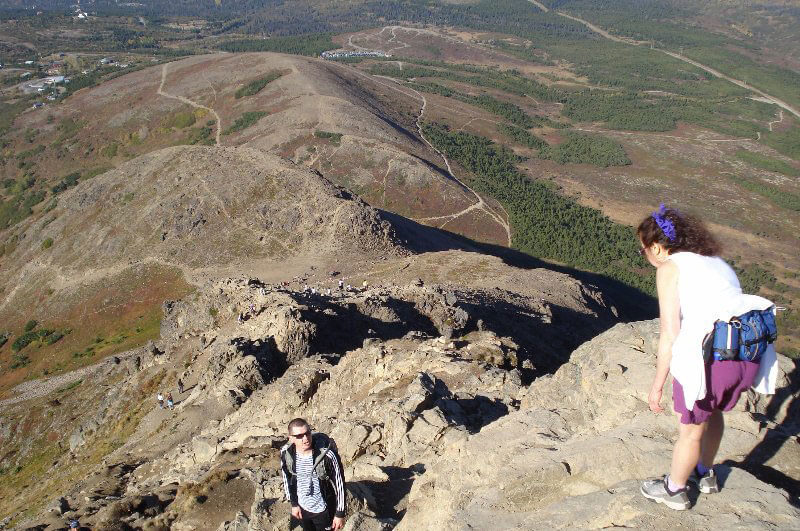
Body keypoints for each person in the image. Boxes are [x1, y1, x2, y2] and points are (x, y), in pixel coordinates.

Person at [637, 204, 778, 510]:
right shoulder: (715, 261)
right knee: (713, 414)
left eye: (644, 250)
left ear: (658, 248)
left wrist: (658, 384)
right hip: (745, 357)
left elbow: (670, 333)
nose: (645, 256)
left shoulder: (670, 268)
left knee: (689, 431)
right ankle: (705, 474)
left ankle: (674, 489)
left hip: (710, 361)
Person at [281, 418, 346, 530]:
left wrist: (340, 514)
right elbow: (287, 478)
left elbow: (340, 484)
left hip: (324, 511)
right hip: (302, 509)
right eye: (299, 436)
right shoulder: (287, 454)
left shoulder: (327, 456)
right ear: (291, 438)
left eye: (307, 433)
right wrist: (294, 504)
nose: (305, 439)